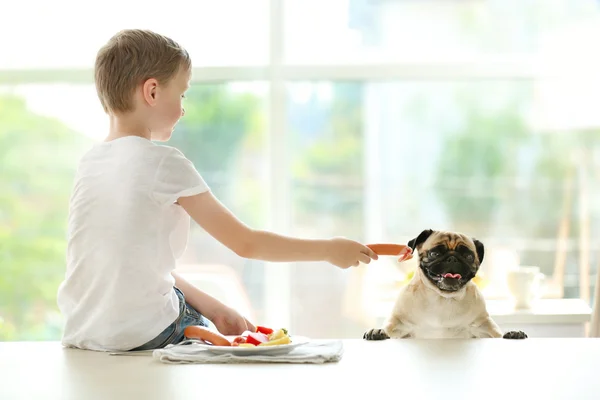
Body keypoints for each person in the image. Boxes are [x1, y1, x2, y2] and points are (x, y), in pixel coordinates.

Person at [56, 29, 412, 352]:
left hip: (82, 333)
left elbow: (135, 266)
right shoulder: (164, 163)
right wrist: (329, 250)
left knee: (214, 315)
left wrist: (213, 304)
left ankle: (203, 322)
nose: (182, 109)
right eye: (181, 93)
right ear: (151, 91)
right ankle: (196, 331)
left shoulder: (89, 164)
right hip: (143, 334)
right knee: (247, 347)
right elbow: (247, 243)